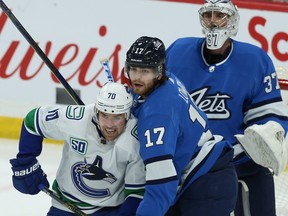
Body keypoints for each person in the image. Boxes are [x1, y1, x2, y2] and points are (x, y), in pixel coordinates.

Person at [165, 0, 288, 215]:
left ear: (233, 20)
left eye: (220, 15)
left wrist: (265, 135)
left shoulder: (255, 60)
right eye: (208, 15)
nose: (213, 22)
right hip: (188, 164)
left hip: (239, 160)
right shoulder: (177, 52)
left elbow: (271, 116)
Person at [124, 36, 238, 216]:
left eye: (144, 71)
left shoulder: (157, 115)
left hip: (206, 188)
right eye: (133, 69)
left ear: (158, 71)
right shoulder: (168, 81)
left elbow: (162, 185)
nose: (137, 77)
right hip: (211, 174)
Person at [9, 82, 146, 216]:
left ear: (127, 116)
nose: (109, 125)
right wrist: (25, 161)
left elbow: (136, 193)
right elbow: (33, 120)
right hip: (65, 205)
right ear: (96, 111)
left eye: (117, 117)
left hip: (109, 209)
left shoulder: (135, 139)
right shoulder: (77, 119)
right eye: (104, 115)